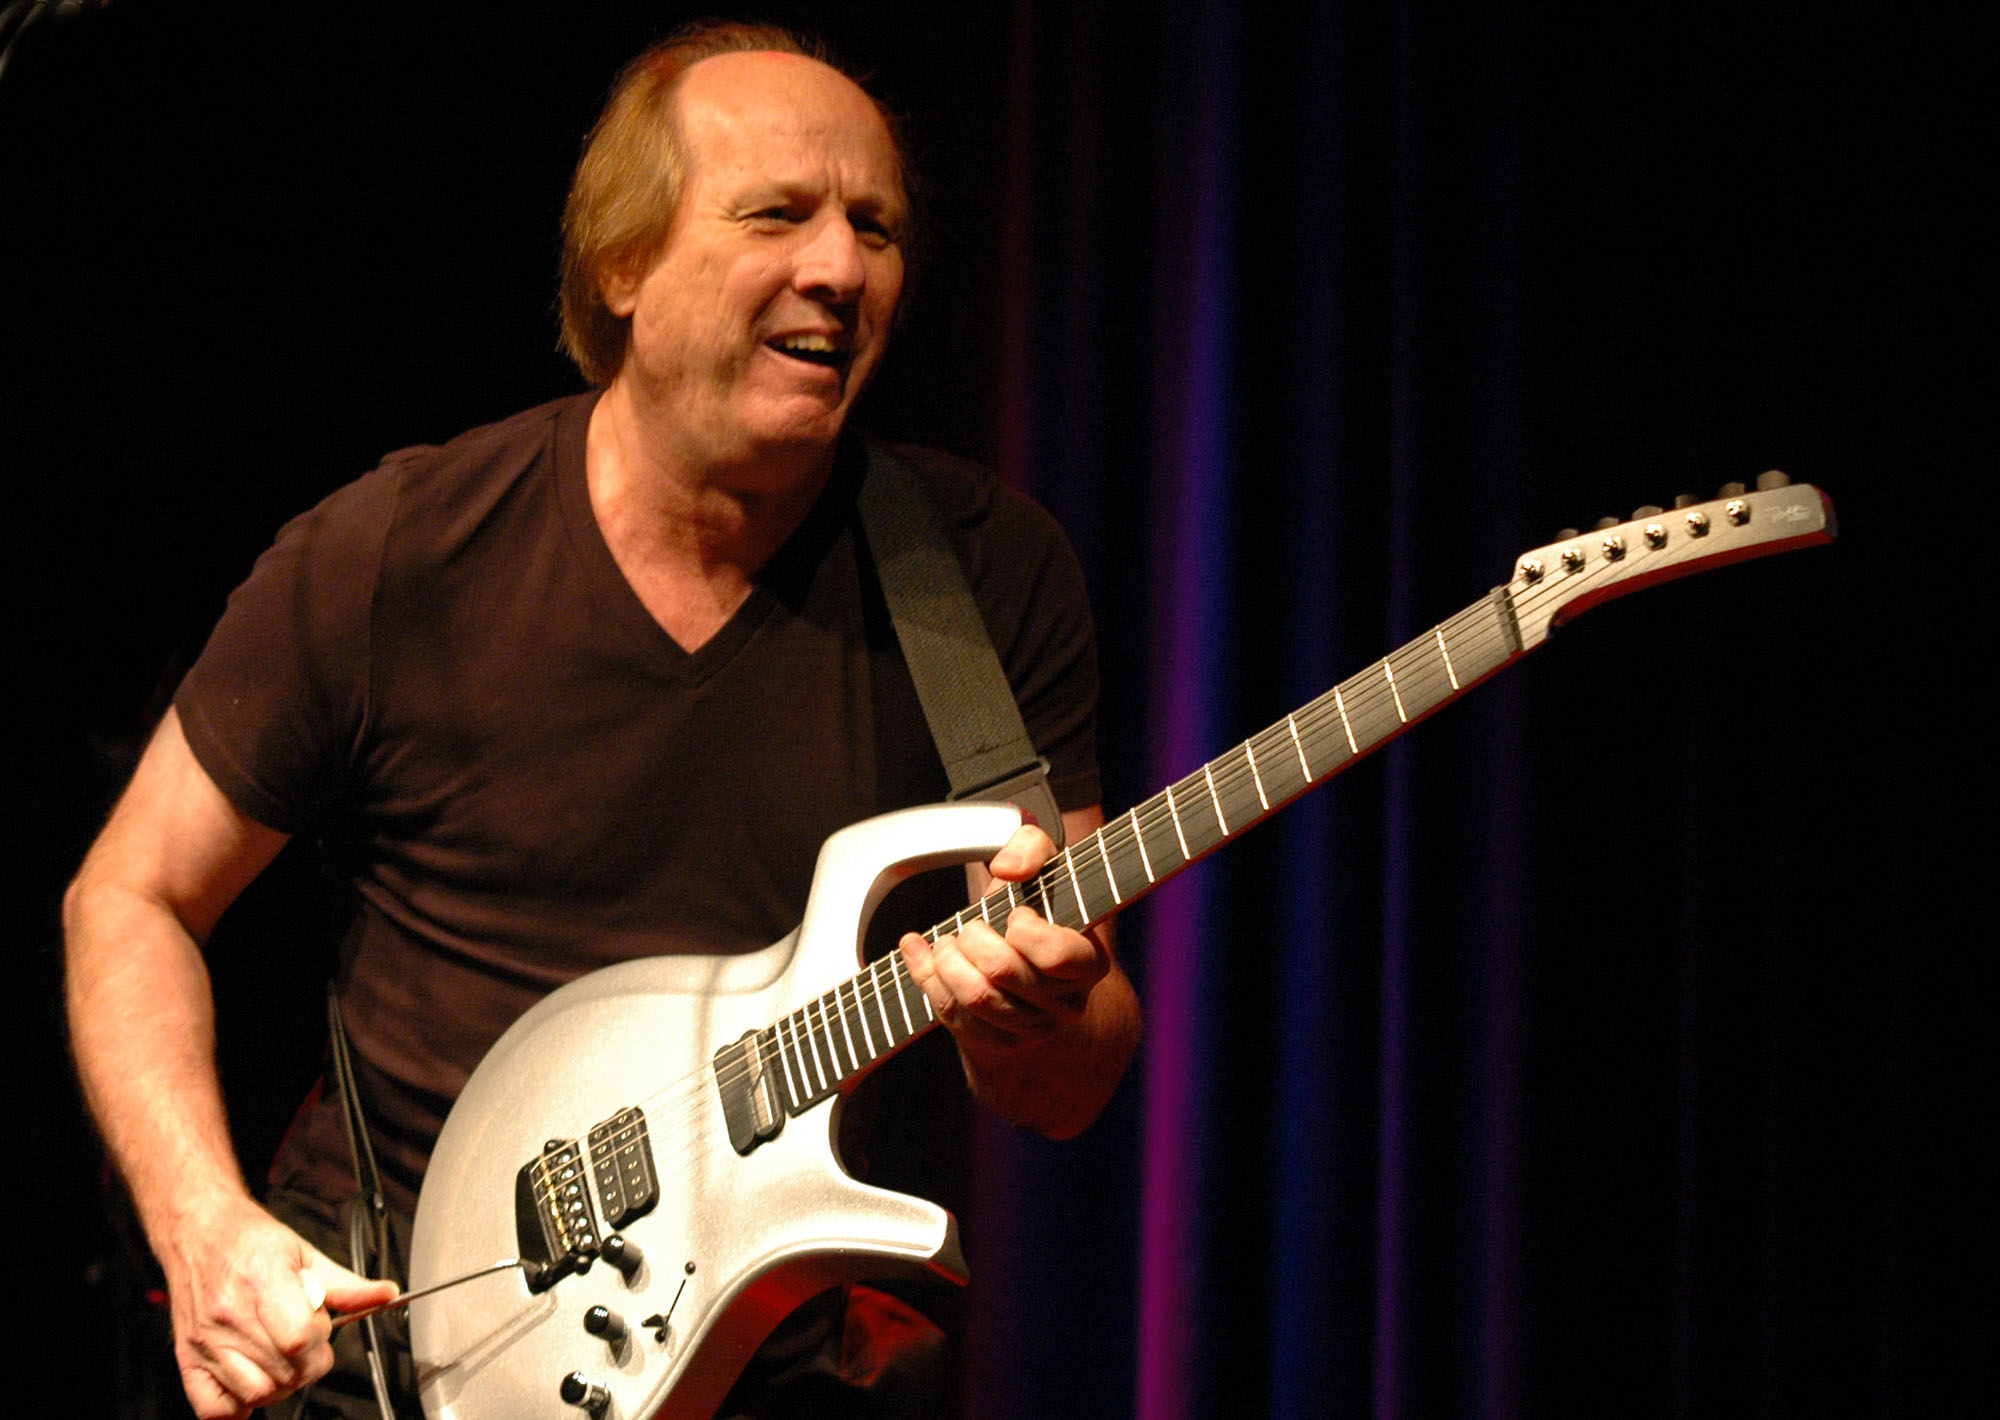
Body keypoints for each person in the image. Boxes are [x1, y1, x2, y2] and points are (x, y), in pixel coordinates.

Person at [63, 21, 1141, 1420]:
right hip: (384, 1357)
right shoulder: (398, 550)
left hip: (753, 1367)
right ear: (621, 265)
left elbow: (1065, 1081)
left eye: (875, 226)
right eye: (779, 214)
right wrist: (202, 1224)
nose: (840, 266)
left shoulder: (983, 574)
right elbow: (129, 897)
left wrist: (1029, 1022)